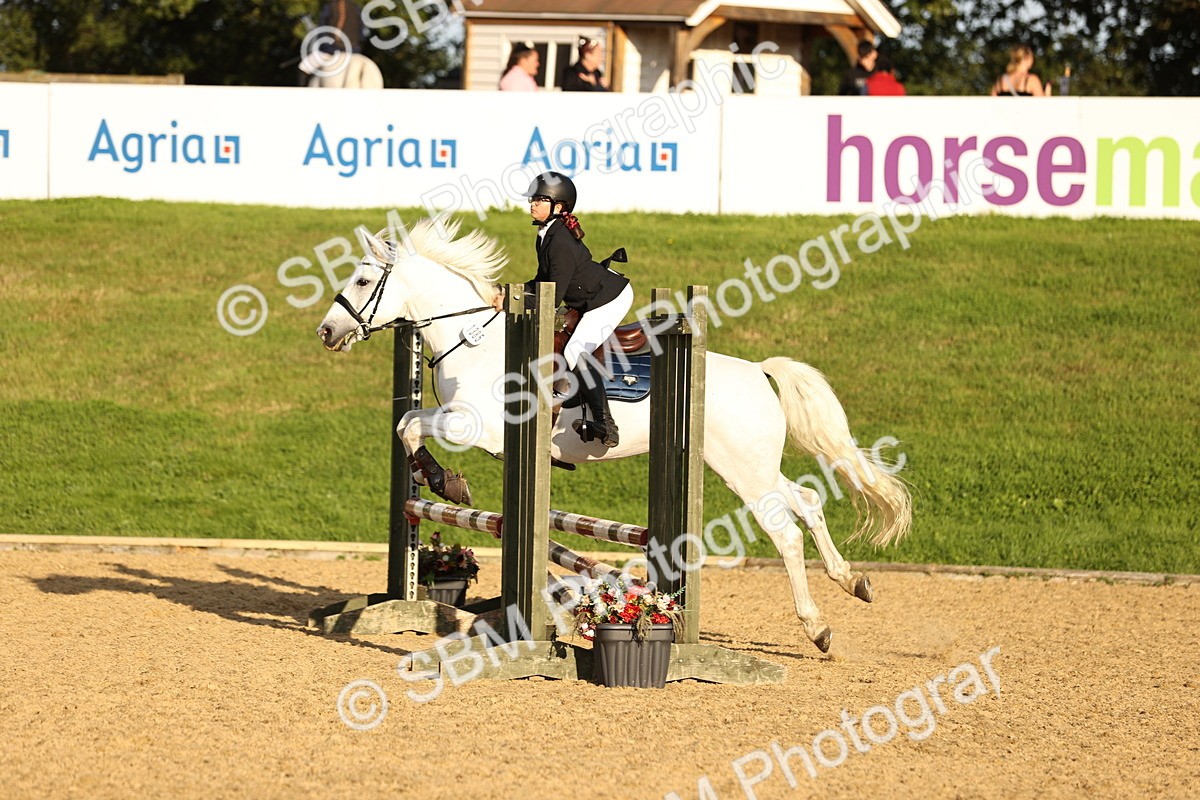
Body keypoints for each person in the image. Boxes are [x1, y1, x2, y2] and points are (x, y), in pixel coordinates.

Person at [492, 172, 633, 448]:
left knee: (575, 351)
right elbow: (540, 280)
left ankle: (606, 424)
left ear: (559, 206)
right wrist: (511, 292)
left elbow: (551, 297)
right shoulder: (546, 234)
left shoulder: (560, 242)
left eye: (540, 199)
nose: (532, 204)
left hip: (609, 298)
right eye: (533, 198)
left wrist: (511, 303)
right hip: (589, 297)